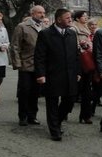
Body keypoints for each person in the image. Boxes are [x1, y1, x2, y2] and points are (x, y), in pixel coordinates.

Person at [34, 9, 81, 141]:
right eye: (67, 18)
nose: (70, 20)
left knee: (70, 100)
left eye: (70, 18)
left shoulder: (71, 33)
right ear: (59, 19)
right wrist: (41, 74)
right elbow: (39, 56)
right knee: (52, 103)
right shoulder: (46, 34)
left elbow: (76, 55)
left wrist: (78, 71)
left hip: (69, 74)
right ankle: (54, 129)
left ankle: (57, 121)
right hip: (52, 74)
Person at [11, 5, 45, 126]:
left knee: (35, 92)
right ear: (32, 14)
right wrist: (17, 63)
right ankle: (23, 116)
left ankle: (32, 115)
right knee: (25, 91)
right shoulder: (22, 27)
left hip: (39, 65)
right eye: (39, 13)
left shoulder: (44, 28)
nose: (42, 15)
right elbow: (15, 46)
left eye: (43, 13)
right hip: (26, 64)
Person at [71, 11, 94, 124]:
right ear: (77, 18)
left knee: (87, 90)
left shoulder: (86, 29)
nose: (86, 18)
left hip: (87, 61)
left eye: (86, 16)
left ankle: (86, 114)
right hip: (77, 60)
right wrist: (83, 45)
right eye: (83, 16)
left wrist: (88, 45)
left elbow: (90, 44)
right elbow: (73, 45)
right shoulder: (73, 29)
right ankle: (64, 111)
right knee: (73, 89)